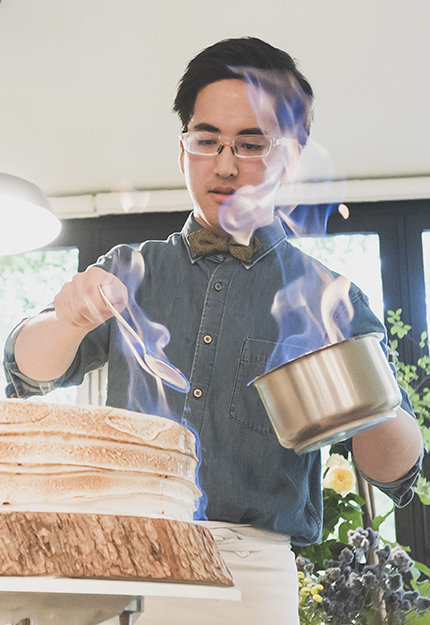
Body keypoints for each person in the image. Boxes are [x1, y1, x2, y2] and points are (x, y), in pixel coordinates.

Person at [3, 37, 423, 625]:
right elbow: (27, 369)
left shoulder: (332, 298)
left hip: (250, 575)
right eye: (207, 141)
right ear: (184, 152)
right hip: (123, 559)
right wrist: (69, 320)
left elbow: (396, 469)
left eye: (251, 143)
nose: (225, 164)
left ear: (291, 156)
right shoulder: (129, 268)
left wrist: (364, 393)